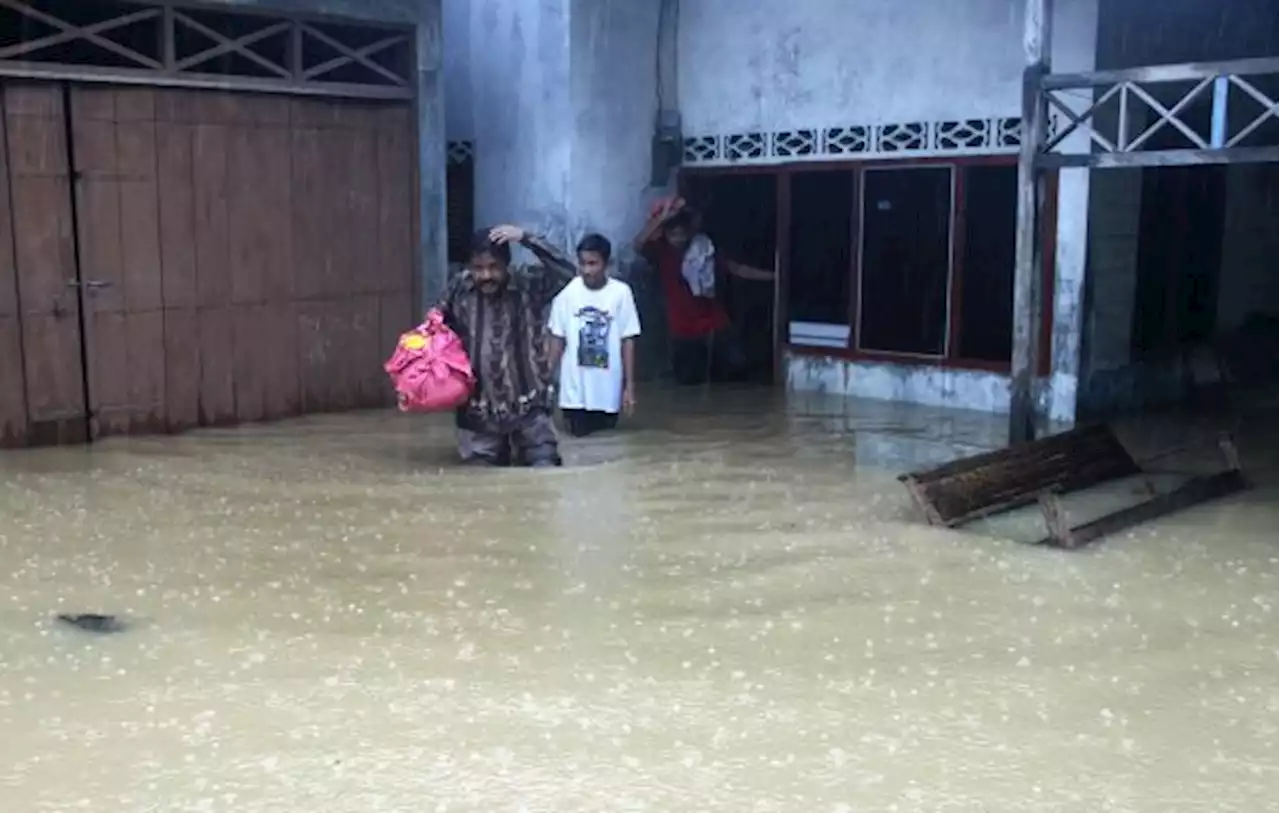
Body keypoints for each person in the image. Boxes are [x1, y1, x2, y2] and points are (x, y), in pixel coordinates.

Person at [437, 224, 576, 467]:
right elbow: (434, 327)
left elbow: (568, 271)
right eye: (478, 268)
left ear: (506, 265)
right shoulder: (459, 289)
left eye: (493, 267)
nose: (486, 275)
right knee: (479, 481)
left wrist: (526, 238)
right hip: (478, 411)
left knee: (544, 472)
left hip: (529, 407)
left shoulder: (528, 284)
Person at [632, 197, 775, 385]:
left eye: (682, 234)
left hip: (713, 319)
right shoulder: (662, 252)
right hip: (682, 325)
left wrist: (774, 277)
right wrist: (662, 217)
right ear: (665, 235)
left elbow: (736, 269)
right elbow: (638, 244)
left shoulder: (703, 249)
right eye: (673, 235)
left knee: (734, 368)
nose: (679, 239)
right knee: (688, 380)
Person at [547, 233, 641, 438]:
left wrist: (629, 387)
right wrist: (545, 381)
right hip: (574, 394)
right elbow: (557, 339)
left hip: (608, 391)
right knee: (577, 443)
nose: (587, 270)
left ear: (607, 263)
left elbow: (628, 340)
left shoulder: (621, 294)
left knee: (606, 444)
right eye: (583, 264)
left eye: (593, 263)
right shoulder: (567, 295)